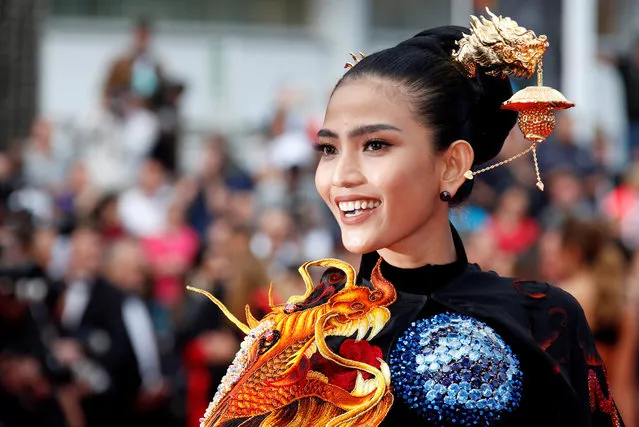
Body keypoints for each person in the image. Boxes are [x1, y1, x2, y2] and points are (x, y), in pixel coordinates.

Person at [193, 10, 623, 427]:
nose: (341, 176)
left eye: (376, 145)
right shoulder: (291, 337)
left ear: (452, 164)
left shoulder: (544, 318)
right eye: (329, 149)